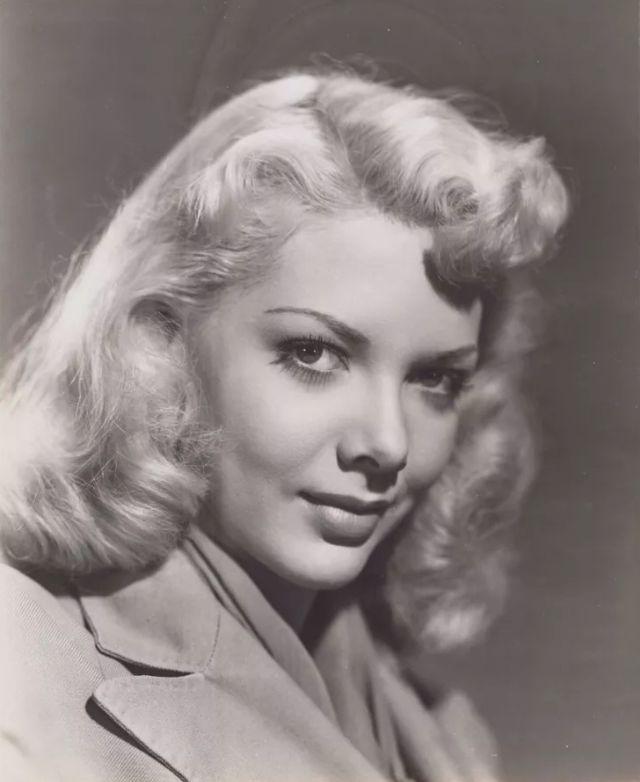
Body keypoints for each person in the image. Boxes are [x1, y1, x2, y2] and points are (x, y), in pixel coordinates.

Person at [0, 69, 568, 782]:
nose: (387, 444)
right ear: (163, 344)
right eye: (314, 354)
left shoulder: (446, 735)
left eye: (435, 379)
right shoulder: (21, 678)